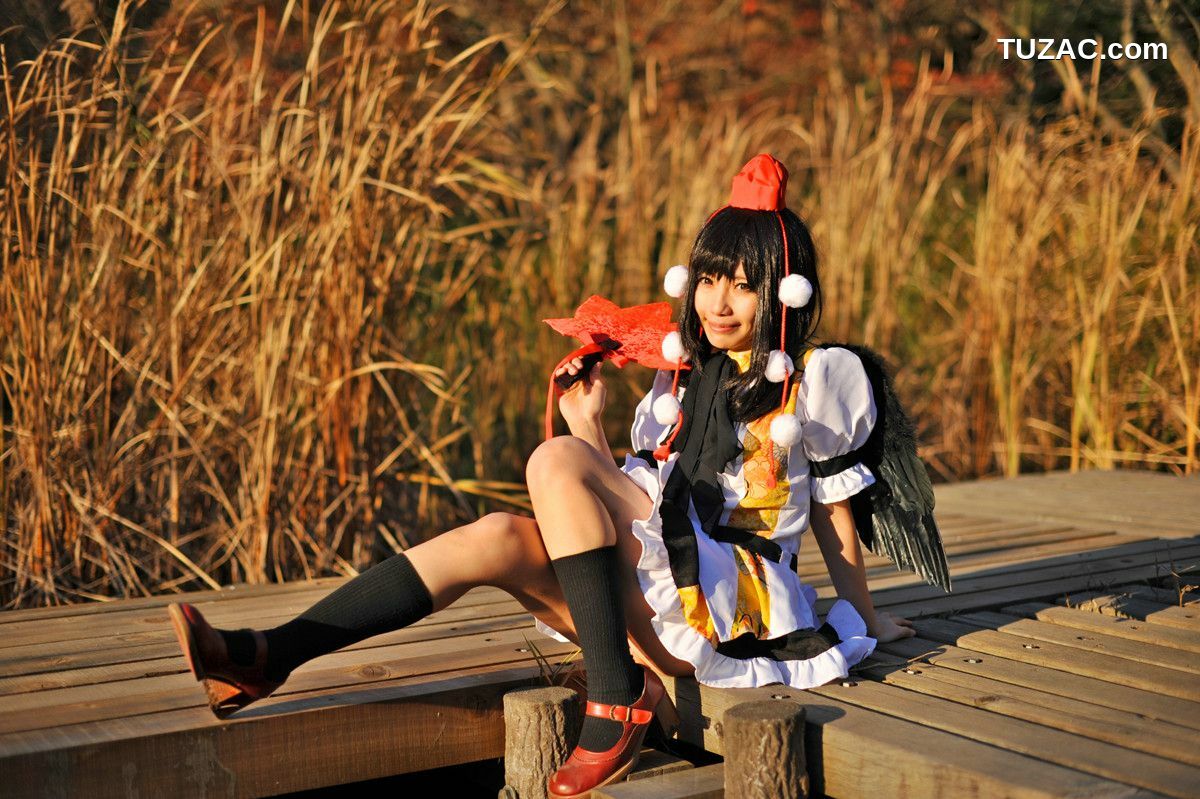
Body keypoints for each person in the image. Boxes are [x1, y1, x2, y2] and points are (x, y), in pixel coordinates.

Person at [167, 153, 916, 799]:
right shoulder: (682, 372)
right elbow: (639, 498)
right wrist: (587, 424)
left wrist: (862, 616)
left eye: (744, 286)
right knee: (497, 534)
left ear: (784, 289)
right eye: (711, 279)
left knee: (550, 460)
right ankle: (270, 655)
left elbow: (833, 509)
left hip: (727, 609)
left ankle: (616, 696)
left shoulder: (815, 378)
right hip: (654, 600)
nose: (718, 302)